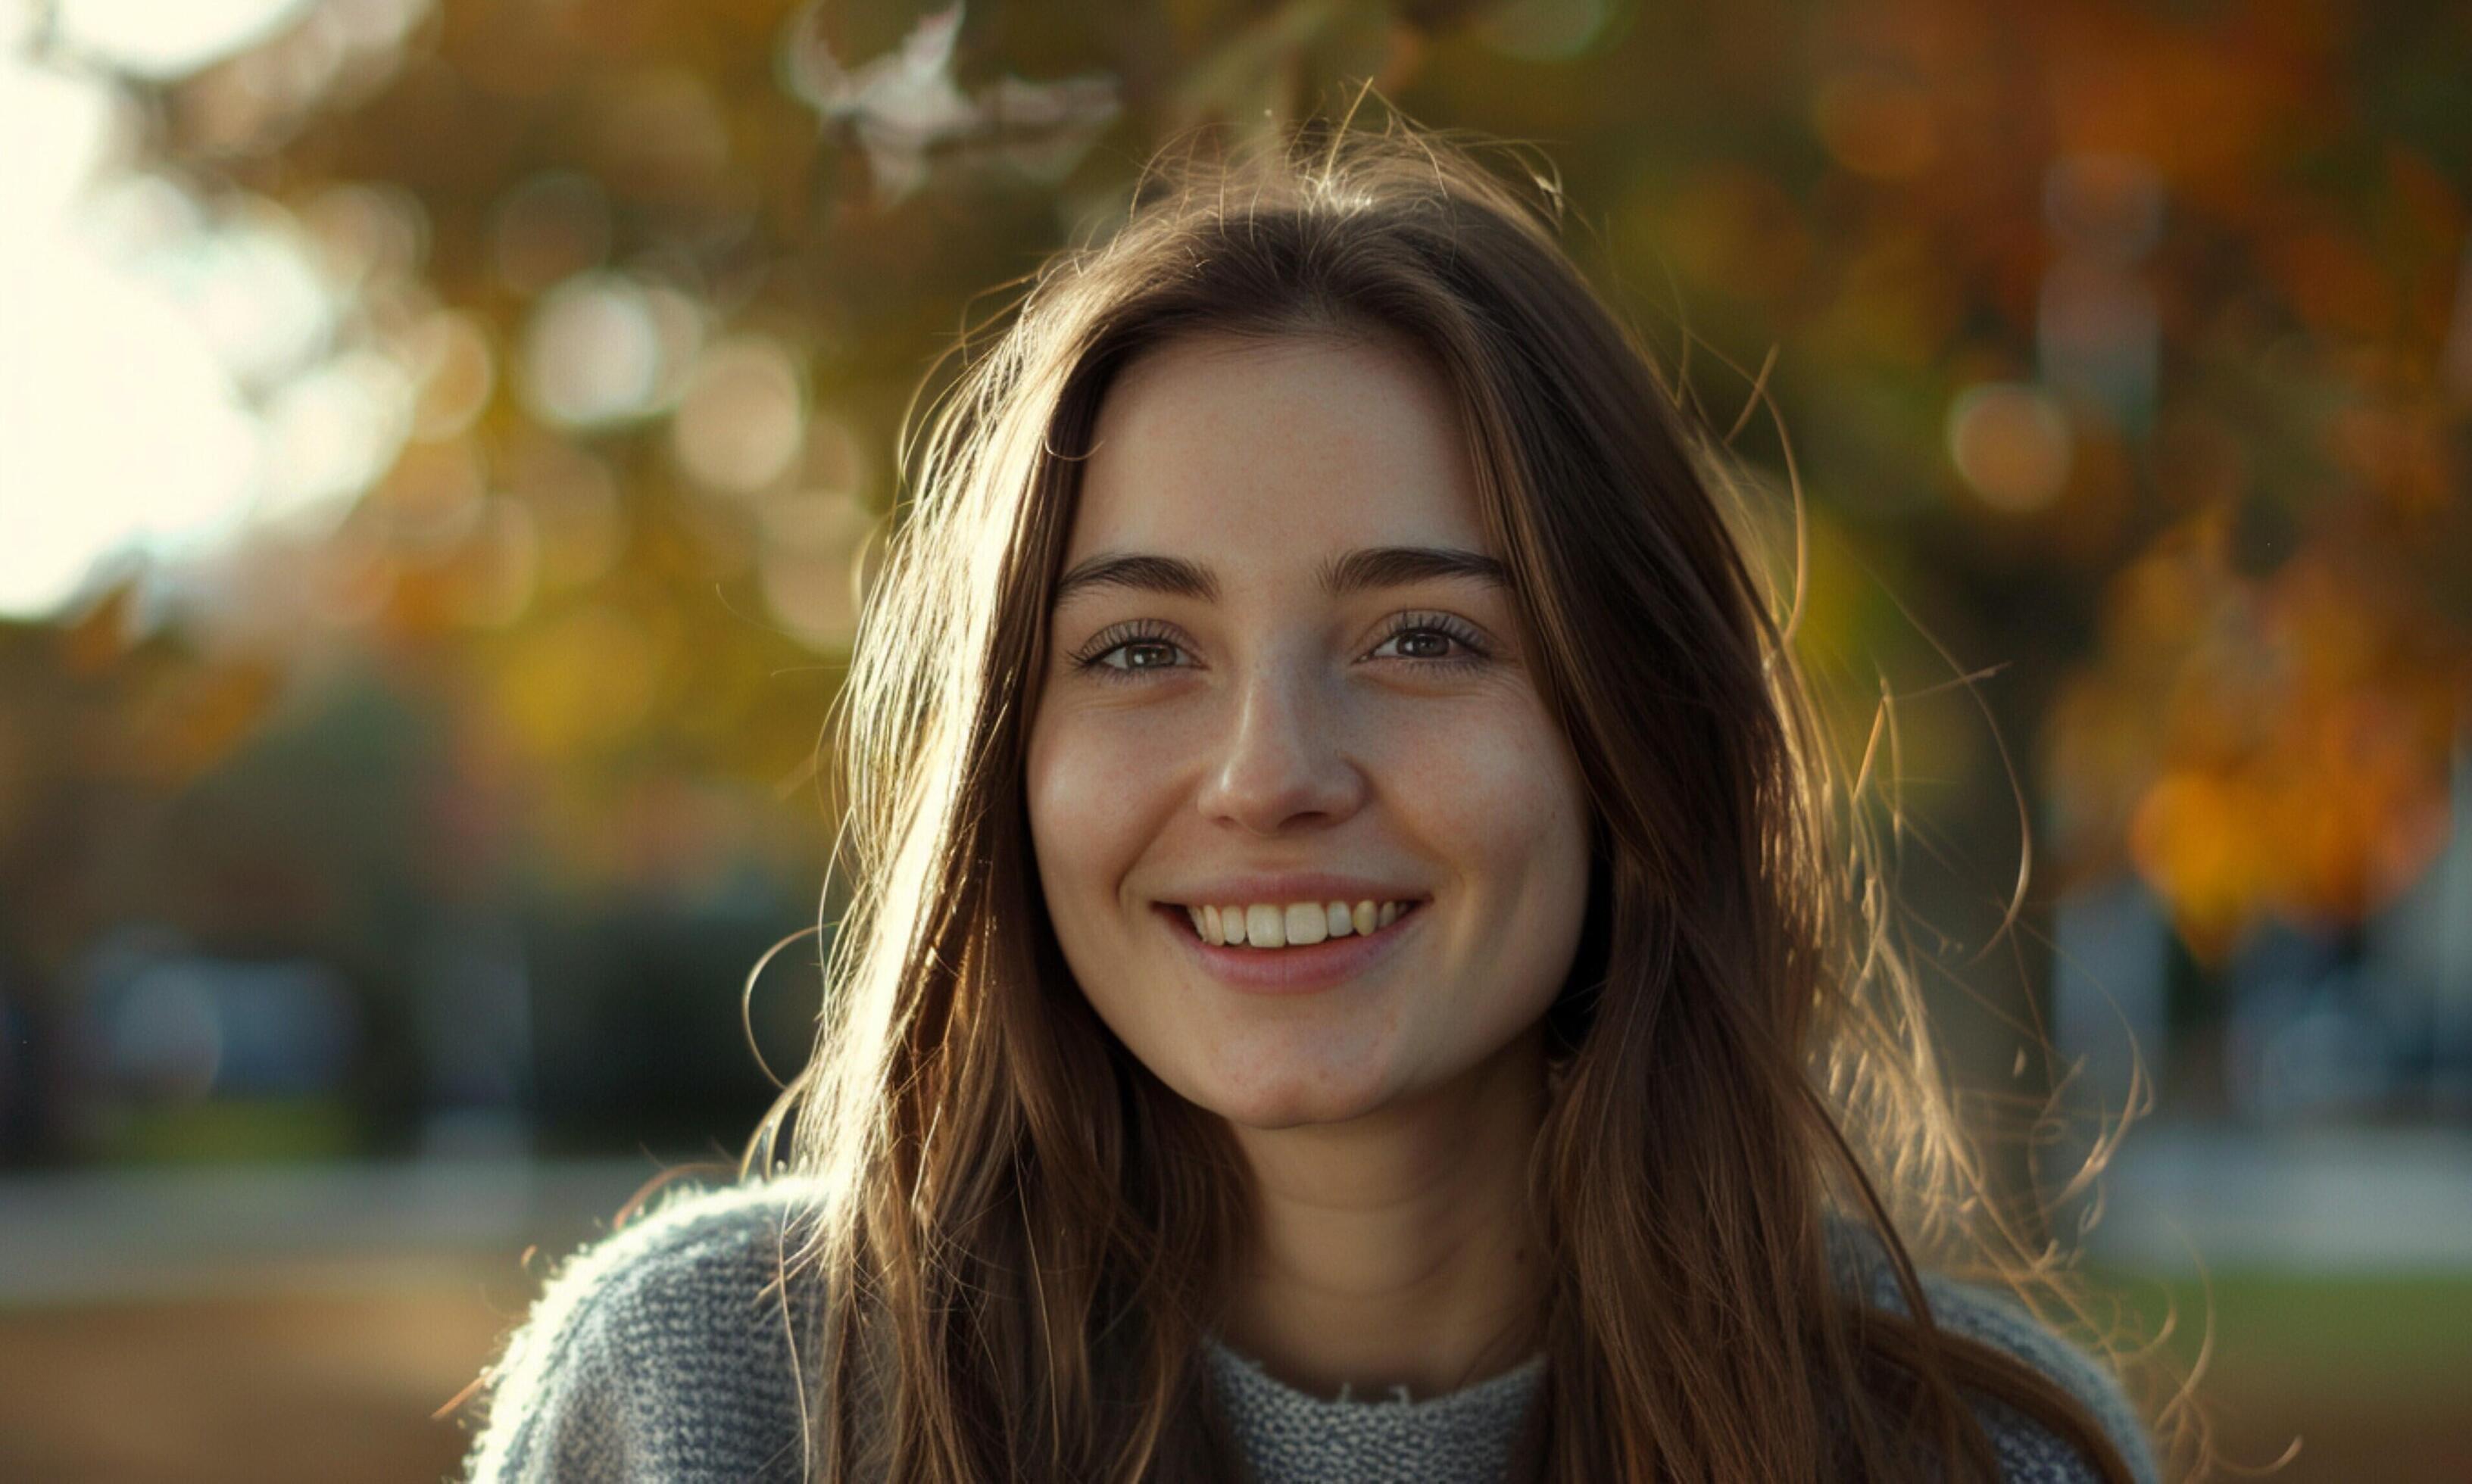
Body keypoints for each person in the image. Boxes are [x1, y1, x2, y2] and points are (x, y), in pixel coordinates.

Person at [457, 107, 2172, 1484]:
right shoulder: (716, 1413)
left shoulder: (1973, 1450)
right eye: (1139, 649)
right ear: (1005, 762)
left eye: (1423, 635)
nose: (1271, 772)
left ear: (1632, 732)